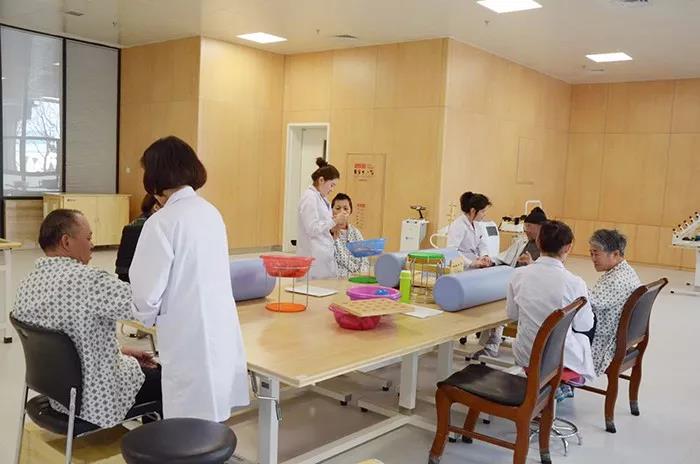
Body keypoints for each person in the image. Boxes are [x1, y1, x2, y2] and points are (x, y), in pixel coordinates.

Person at [129, 136, 249, 422]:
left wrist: (143, 317)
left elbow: (146, 295)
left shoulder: (162, 222)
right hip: (219, 327)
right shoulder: (211, 212)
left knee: (189, 416)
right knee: (212, 409)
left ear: (155, 177)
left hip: (187, 334)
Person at [12, 209, 161, 428]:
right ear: (66, 242)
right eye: (89, 238)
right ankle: (155, 443)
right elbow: (146, 307)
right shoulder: (90, 281)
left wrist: (118, 353)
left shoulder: (28, 283)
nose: (92, 244)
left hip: (59, 396)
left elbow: (62, 345)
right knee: (165, 380)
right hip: (97, 401)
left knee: (144, 371)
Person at [507, 220, 595, 387]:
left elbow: (512, 314)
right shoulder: (575, 283)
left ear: (538, 242)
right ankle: (563, 385)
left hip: (526, 355)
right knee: (581, 336)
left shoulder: (518, 275)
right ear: (568, 247)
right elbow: (585, 325)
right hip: (559, 359)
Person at [588, 229, 641, 376]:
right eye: (591, 253)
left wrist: (573, 284)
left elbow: (592, 303)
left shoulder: (616, 280)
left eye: (596, 254)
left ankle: (562, 379)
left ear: (616, 254)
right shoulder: (626, 271)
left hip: (604, 342)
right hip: (619, 334)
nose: (593, 258)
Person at [297, 157, 347, 279]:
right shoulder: (309, 198)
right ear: (321, 180)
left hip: (323, 255)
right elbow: (312, 229)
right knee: (315, 287)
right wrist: (334, 220)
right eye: (331, 185)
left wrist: (333, 229)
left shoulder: (321, 198)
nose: (332, 189)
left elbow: (322, 224)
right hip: (313, 257)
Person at [115, 194, 160, 282]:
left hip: (123, 271)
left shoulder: (136, 222)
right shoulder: (150, 226)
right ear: (156, 207)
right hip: (136, 274)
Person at [447, 192, 494, 268]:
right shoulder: (459, 225)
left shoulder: (477, 224)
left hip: (474, 262)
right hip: (462, 266)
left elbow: (481, 243)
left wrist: (484, 255)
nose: (484, 214)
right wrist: (470, 263)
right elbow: (452, 251)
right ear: (473, 211)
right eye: (482, 211)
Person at [331, 193, 369, 278]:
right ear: (331, 210)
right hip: (336, 278)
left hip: (357, 278)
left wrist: (359, 275)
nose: (342, 212)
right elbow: (336, 259)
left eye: (345, 209)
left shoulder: (356, 232)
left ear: (350, 211)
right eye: (338, 208)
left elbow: (364, 259)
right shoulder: (328, 232)